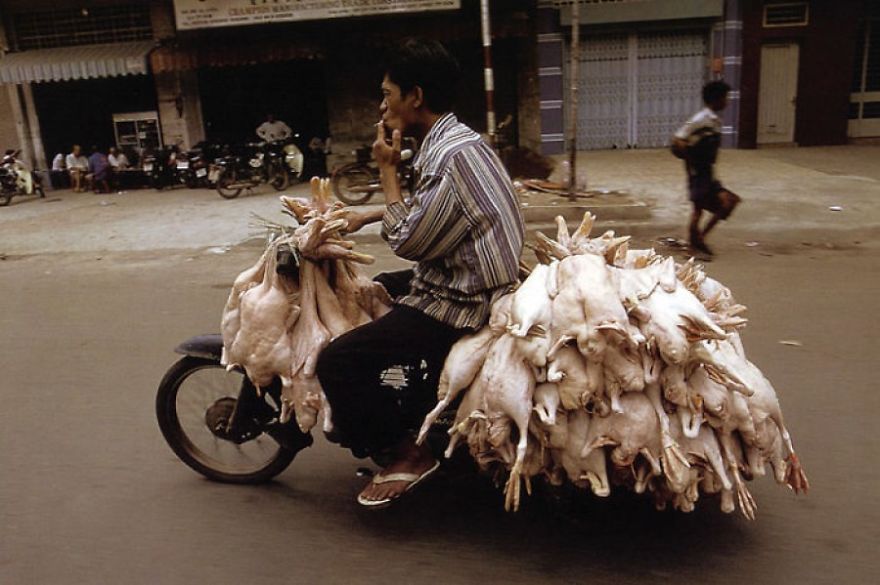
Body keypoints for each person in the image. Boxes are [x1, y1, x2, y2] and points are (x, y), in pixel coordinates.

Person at [315, 38, 524, 509]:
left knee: (338, 361)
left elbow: (411, 241)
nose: (382, 104)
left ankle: (408, 453)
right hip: (470, 275)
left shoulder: (448, 158)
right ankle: (414, 400)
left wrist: (386, 172)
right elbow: (433, 216)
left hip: (464, 298)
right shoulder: (460, 141)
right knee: (379, 286)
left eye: (387, 93)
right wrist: (364, 216)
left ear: (416, 96)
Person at [672, 80, 740, 256]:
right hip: (698, 172)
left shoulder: (714, 120)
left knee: (728, 202)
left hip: (707, 171)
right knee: (700, 209)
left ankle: (699, 239)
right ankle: (694, 245)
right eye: (725, 98)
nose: (727, 102)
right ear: (716, 99)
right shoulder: (701, 119)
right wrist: (691, 160)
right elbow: (678, 140)